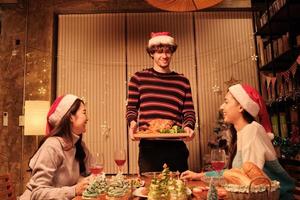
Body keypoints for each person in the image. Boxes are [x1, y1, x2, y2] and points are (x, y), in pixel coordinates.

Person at [180, 83, 295, 199]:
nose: (221, 107)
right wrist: (199, 175)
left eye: (226, 102)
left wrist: (225, 191)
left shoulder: (252, 130)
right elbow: (234, 174)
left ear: (241, 107)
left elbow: (252, 184)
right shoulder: (243, 132)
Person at [126, 32, 196, 173]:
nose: (164, 56)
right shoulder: (138, 78)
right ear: (151, 53)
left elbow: (188, 112)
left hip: (176, 147)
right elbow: (131, 108)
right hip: (149, 148)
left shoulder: (182, 81)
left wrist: (188, 126)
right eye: (159, 52)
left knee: (179, 191)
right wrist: (132, 123)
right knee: (151, 191)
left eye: (168, 51)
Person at [20, 94, 92, 200]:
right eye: (84, 112)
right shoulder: (52, 146)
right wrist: (74, 190)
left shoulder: (79, 145)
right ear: (71, 117)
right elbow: (38, 193)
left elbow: (91, 173)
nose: (87, 118)